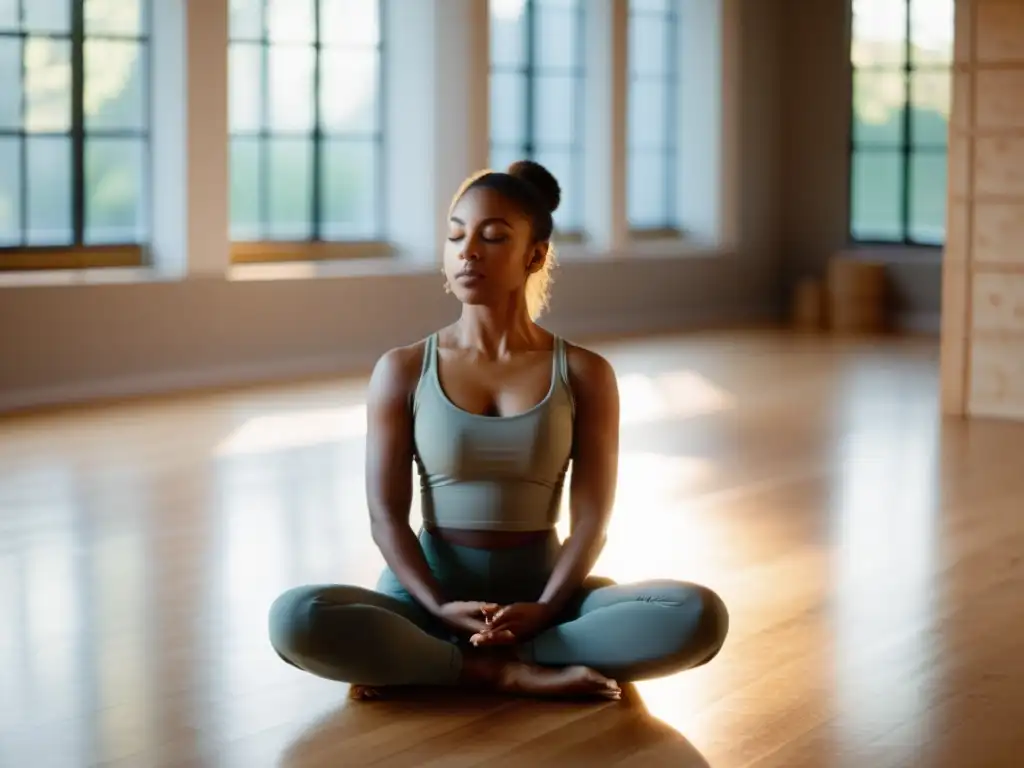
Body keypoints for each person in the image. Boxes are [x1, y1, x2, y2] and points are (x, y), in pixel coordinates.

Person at [268, 160, 729, 700]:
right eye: (455, 235)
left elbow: (591, 520)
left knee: (699, 615)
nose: (467, 251)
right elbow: (385, 517)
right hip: (427, 598)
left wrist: (545, 612)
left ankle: (453, 661)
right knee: (295, 617)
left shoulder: (584, 373)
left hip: (546, 596)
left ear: (535, 255)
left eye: (492, 237)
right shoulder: (402, 369)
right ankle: (496, 670)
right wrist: (438, 606)